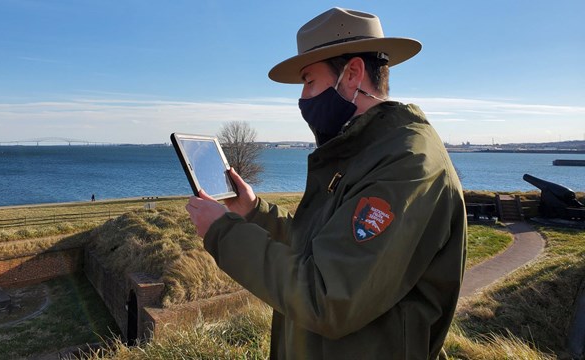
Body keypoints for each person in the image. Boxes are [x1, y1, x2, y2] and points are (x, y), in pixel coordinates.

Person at [186, 7, 467, 359]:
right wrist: (254, 213)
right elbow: (321, 247)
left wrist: (222, 233)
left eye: (309, 80)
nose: (303, 98)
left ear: (351, 74)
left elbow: (327, 296)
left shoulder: (406, 164)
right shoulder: (365, 151)